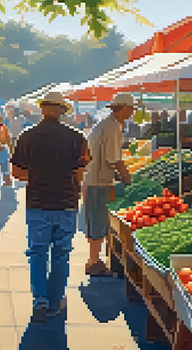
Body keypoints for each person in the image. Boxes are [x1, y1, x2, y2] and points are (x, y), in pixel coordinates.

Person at [10, 91, 90, 323]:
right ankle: (56, 302)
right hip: (66, 202)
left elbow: (16, 172)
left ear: (42, 109)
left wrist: (38, 177)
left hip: (37, 202)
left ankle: (40, 301)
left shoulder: (27, 136)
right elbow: (80, 172)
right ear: (62, 111)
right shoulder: (77, 138)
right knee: (61, 254)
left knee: (37, 252)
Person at [82, 94, 134, 277]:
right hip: (98, 180)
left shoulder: (109, 124)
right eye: (131, 108)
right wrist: (128, 180)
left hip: (97, 178)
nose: (133, 112)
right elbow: (115, 160)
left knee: (97, 220)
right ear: (124, 108)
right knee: (97, 221)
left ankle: (94, 260)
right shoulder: (112, 127)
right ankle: (94, 262)